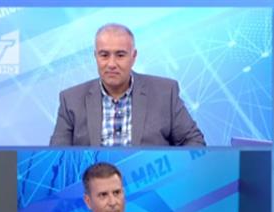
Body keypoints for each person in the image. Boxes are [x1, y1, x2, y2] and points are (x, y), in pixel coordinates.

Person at [49, 23, 206, 146]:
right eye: (104, 55)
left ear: (133, 56)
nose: (111, 64)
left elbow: (195, 142)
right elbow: (57, 155)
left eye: (120, 55)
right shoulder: (70, 100)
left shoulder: (165, 93)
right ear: (95, 56)